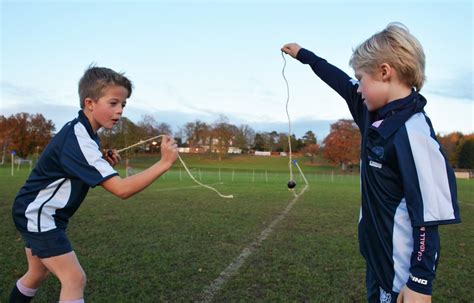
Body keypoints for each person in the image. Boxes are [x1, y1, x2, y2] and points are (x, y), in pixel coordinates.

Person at [282, 22, 460, 303]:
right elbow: (339, 80)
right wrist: (304, 55)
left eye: (361, 78)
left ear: (385, 72)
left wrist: (420, 283)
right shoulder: (371, 110)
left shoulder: (413, 133)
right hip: (375, 260)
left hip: (399, 274)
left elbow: (428, 218)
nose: (358, 88)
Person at [10, 66, 178, 302]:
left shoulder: (86, 134)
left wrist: (103, 161)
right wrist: (164, 163)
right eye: (113, 103)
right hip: (39, 213)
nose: (120, 111)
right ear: (90, 103)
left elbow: (77, 170)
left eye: (123, 104)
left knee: (37, 272)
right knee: (74, 279)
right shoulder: (79, 138)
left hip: (35, 212)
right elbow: (121, 189)